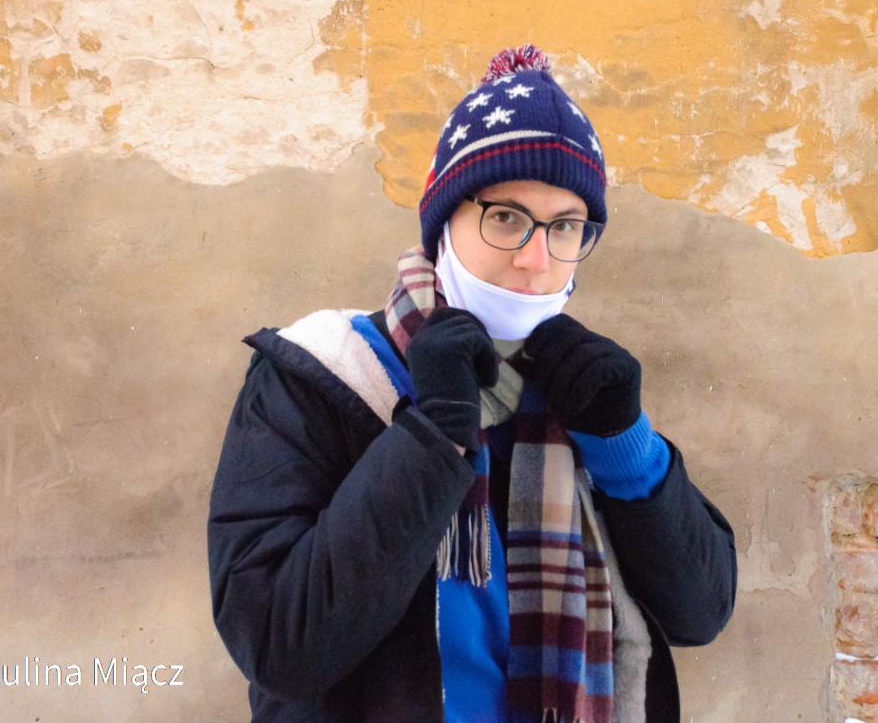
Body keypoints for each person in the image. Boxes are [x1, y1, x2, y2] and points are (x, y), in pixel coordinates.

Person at [207, 44, 737, 723]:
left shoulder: (577, 389)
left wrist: (626, 445)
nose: (536, 259)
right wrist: (429, 439)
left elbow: (702, 611)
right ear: (444, 222)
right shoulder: (322, 372)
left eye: (565, 226)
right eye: (506, 217)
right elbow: (279, 643)